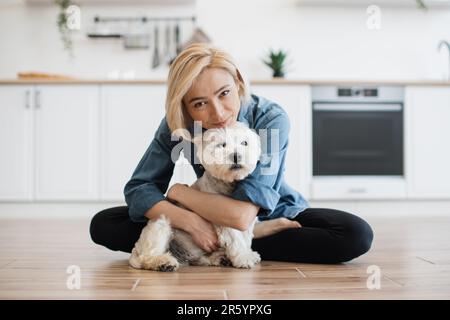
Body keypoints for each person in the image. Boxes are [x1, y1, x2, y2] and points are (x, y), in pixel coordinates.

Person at [90, 43, 373, 264]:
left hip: (268, 213)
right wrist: (191, 222)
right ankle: (231, 246)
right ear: (186, 108)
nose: (218, 113)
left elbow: (240, 216)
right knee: (105, 224)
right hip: (205, 217)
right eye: (200, 103)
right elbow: (140, 187)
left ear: (238, 82)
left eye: (224, 93)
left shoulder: (269, 121)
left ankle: (239, 243)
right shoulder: (181, 127)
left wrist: (179, 192)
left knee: (354, 234)